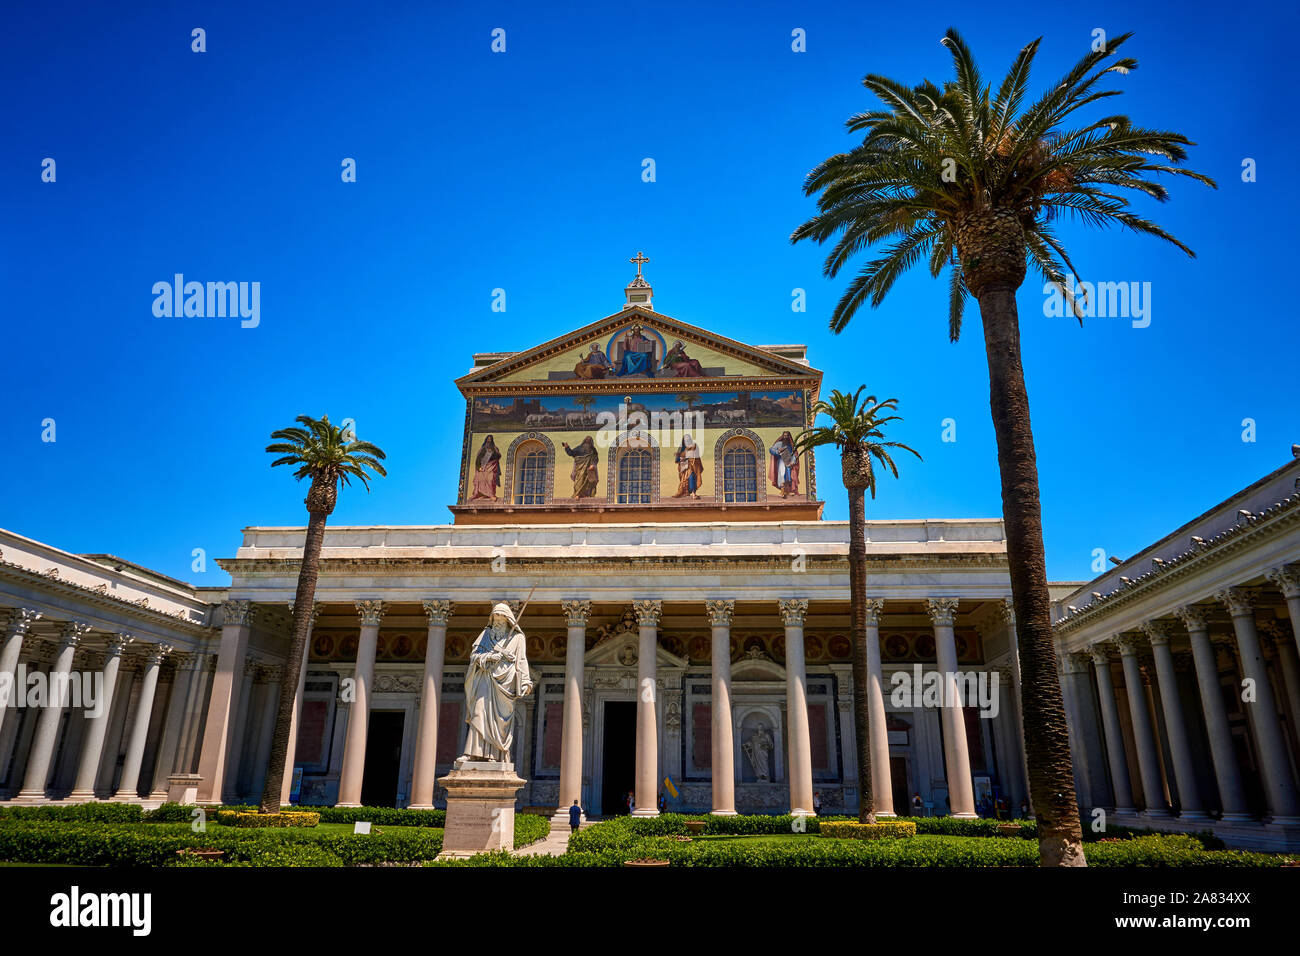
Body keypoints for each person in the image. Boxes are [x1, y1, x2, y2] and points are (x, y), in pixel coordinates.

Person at [769, 431, 800, 498]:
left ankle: (789, 491)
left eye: (787, 436)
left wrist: (793, 461)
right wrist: (778, 451)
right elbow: (771, 449)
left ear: (789, 437)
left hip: (789, 462)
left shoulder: (791, 445)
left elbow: (794, 454)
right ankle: (783, 490)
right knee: (782, 474)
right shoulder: (779, 444)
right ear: (782, 436)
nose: (786, 437)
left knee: (789, 476)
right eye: (784, 435)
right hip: (781, 460)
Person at [469, 435, 500, 500]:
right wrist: (478, 467)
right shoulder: (482, 449)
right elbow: (478, 459)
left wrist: (493, 454)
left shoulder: (495, 448)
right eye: (488, 439)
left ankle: (491, 494)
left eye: (490, 439)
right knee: (480, 480)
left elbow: (498, 456)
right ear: (486, 440)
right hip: (483, 467)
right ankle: (480, 494)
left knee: (490, 479)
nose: (489, 440)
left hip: (491, 467)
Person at [673, 434, 703, 498]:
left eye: (688, 439)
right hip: (684, 466)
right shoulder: (681, 447)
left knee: (692, 477)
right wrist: (680, 457)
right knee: (685, 480)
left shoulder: (694, 446)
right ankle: (686, 492)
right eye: (685, 439)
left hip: (693, 465)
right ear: (683, 441)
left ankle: (693, 493)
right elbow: (677, 459)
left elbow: (694, 455)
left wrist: (687, 456)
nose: (687, 440)